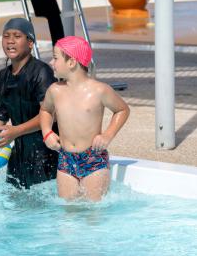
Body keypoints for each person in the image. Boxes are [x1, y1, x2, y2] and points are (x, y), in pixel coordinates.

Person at [39, 36, 130, 201]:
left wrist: (107, 135)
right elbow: (45, 110)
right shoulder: (55, 90)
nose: (51, 62)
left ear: (72, 62)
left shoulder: (99, 90)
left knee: (93, 214)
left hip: (93, 159)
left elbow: (122, 110)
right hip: (66, 159)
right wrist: (47, 132)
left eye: (55, 57)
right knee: (68, 213)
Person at [0, 18, 58, 189]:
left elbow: (50, 115)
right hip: (18, 155)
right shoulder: (4, 76)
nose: (10, 41)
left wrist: (16, 131)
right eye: (6, 36)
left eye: (17, 36)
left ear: (30, 42)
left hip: (45, 155)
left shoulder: (41, 72)